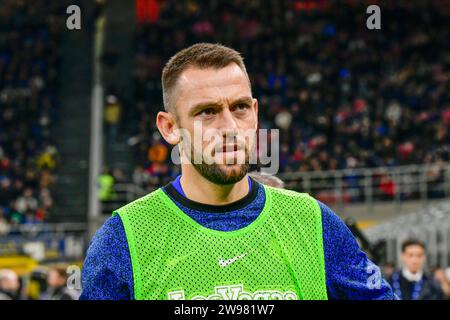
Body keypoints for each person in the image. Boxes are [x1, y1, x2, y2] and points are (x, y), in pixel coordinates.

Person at [81, 43, 396, 300]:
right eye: (207, 112)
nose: (230, 128)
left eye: (240, 108)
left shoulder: (315, 223)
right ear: (170, 127)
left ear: (255, 113)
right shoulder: (123, 239)